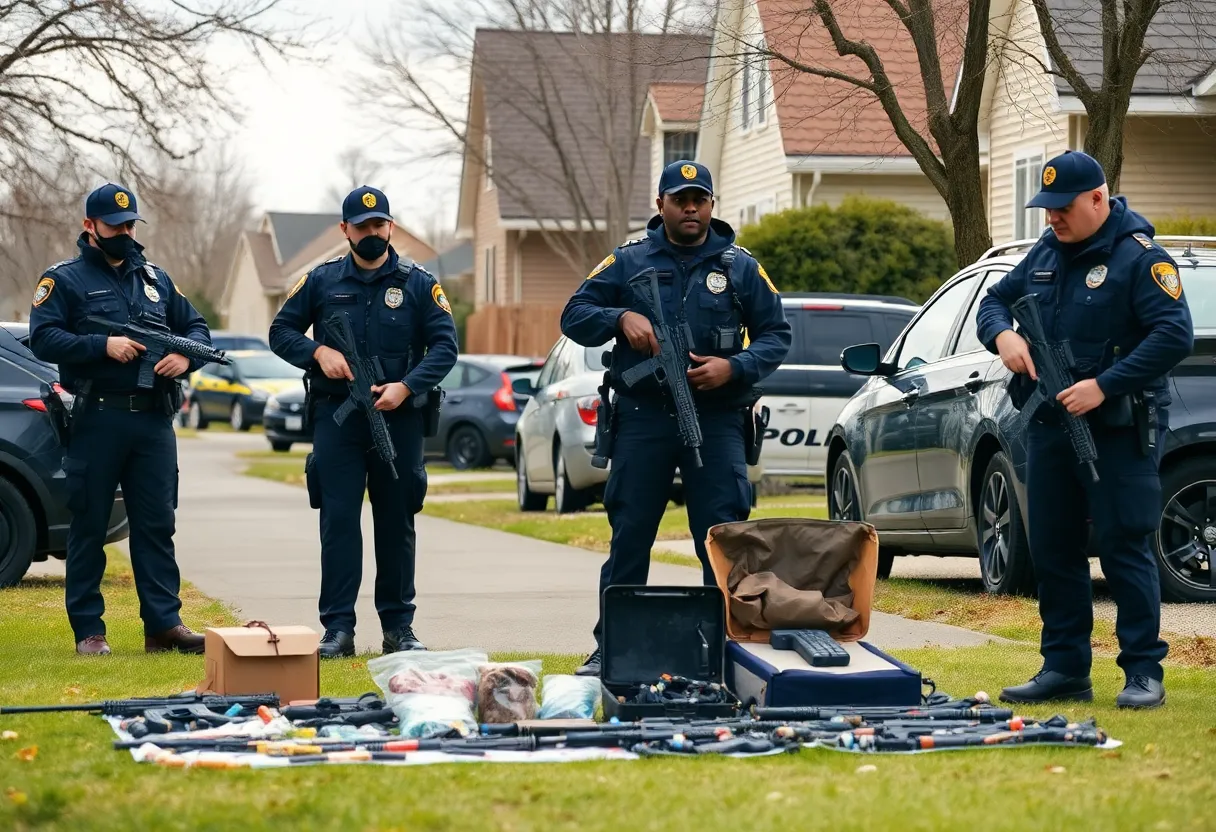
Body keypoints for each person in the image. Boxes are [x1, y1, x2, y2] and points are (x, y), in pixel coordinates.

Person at [975, 150, 1193, 709]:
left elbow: (1173, 336)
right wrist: (1004, 337)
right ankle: (1065, 667)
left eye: (1063, 208)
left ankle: (1143, 672)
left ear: (1098, 198)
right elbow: (994, 302)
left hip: (1119, 428)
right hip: (1050, 424)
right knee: (1053, 548)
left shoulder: (1140, 259)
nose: (1052, 219)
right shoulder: (1047, 251)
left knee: (1125, 547)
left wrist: (1106, 384)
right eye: (1046, 209)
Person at [559, 160, 792, 676]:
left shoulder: (739, 267)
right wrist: (619, 316)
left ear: (711, 205)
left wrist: (734, 367)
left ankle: (729, 648)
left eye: (700, 199)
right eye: (680, 199)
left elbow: (778, 334)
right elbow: (573, 314)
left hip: (716, 419)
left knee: (723, 537)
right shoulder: (626, 261)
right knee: (631, 535)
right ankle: (613, 646)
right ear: (660, 205)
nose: (691, 208)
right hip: (643, 418)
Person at [269, 186, 458, 659]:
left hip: (399, 419)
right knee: (338, 523)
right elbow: (280, 331)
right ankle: (337, 629)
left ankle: (399, 629)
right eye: (362, 226)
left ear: (391, 227)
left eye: (380, 225)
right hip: (338, 419)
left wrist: (408, 387)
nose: (372, 233)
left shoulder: (418, 283)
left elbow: (445, 347)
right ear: (345, 230)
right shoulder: (321, 280)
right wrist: (318, 352)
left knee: (397, 524)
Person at [28, 183, 216, 656]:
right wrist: (101, 345)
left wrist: (183, 357)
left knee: (157, 524)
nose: (125, 233)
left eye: (131, 225)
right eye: (115, 226)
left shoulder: (155, 278)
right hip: (99, 418)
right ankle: (90, 631)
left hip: (153, 421)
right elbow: (45, 338)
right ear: (90, 226)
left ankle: (163, 626)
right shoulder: (64, 280)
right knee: (89, 523)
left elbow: (196, 329)